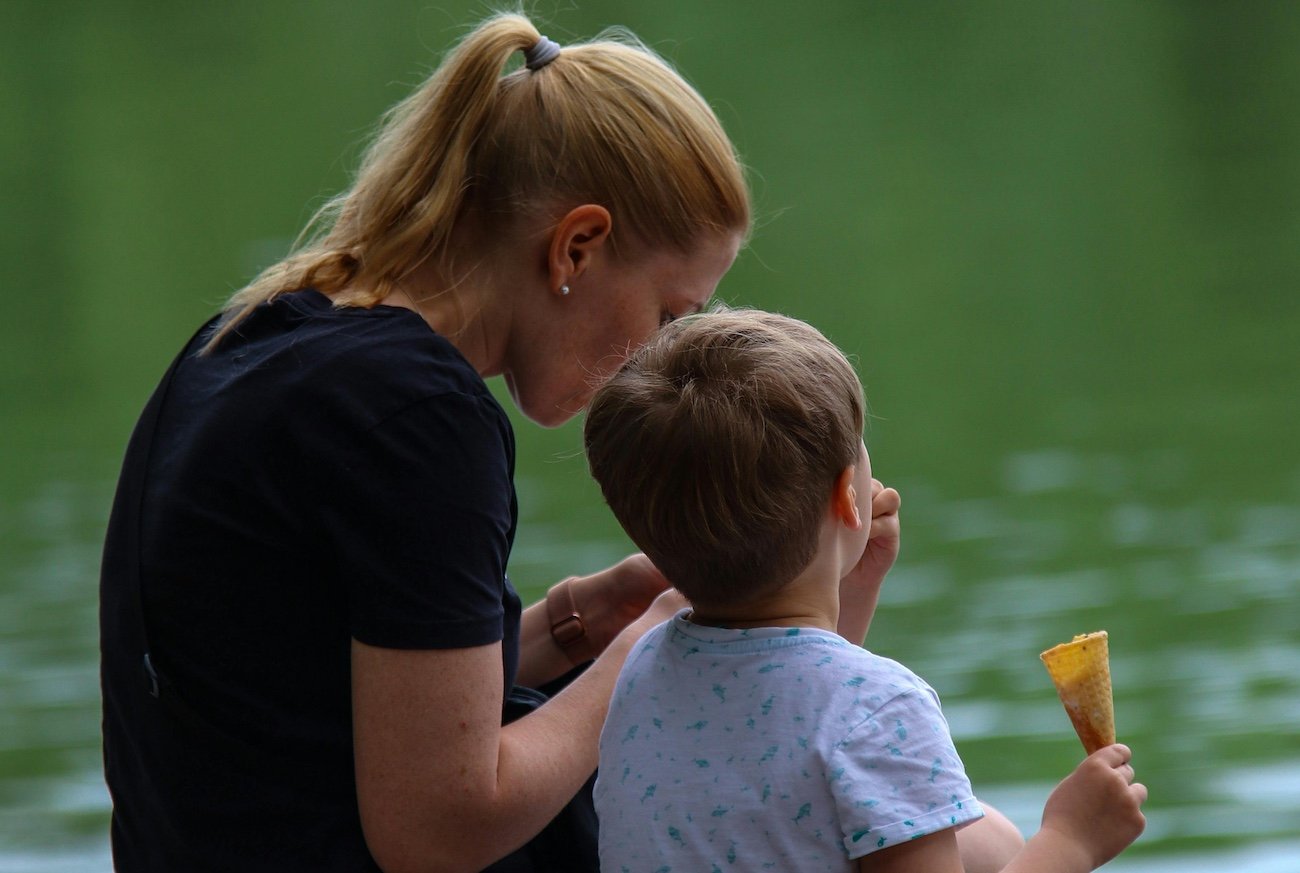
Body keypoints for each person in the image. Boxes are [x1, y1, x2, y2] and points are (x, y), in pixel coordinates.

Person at [99, 12, 748, 873]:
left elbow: (313, 696)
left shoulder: (256, 335)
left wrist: (577, 627)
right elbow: (437, 830)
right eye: (668, 312)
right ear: (577, 246)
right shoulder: (420, 417)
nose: (655, 355)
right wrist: (648, 650)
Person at [583, 308, 1149, 872]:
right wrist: (1069, 841)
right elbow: (829, 719)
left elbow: (789, 717)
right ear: (846, 498)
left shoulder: (643, 668)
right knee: (997, 839)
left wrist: (854, 580)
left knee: (986, 837)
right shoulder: (882, 708)